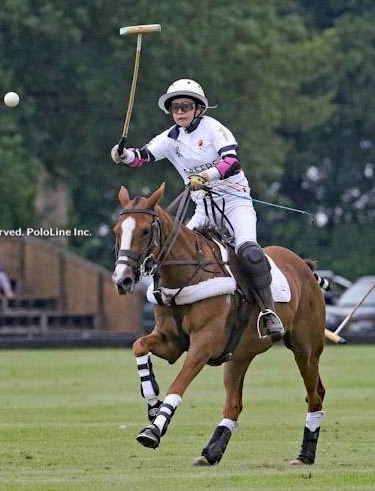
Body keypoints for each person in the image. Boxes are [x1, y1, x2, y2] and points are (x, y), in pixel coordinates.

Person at [110, 78, 285, 341]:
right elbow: (142, 156)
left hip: (235, 204)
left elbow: (232, 163)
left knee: (249, 252)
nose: (179, 112)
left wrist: (206, 176)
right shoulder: (171, 137)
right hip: (203, 208)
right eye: (175, 107)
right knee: (169, 252)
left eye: (185, 106)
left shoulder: (214, 129)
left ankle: (268, 313)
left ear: (198, 108)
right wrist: (123, 155)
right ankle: (173, 318)